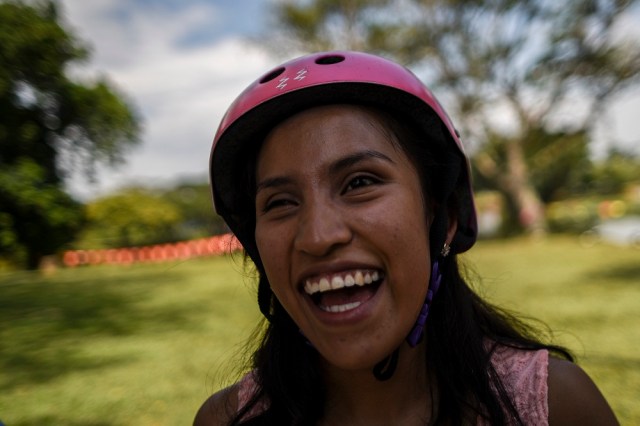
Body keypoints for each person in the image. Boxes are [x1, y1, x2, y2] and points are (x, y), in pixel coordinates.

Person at [194, 51, 618, 425]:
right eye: (280, 203)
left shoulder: (554, 407)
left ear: (444, 217)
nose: (319, 236)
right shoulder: (225, 420)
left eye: (359, 182)